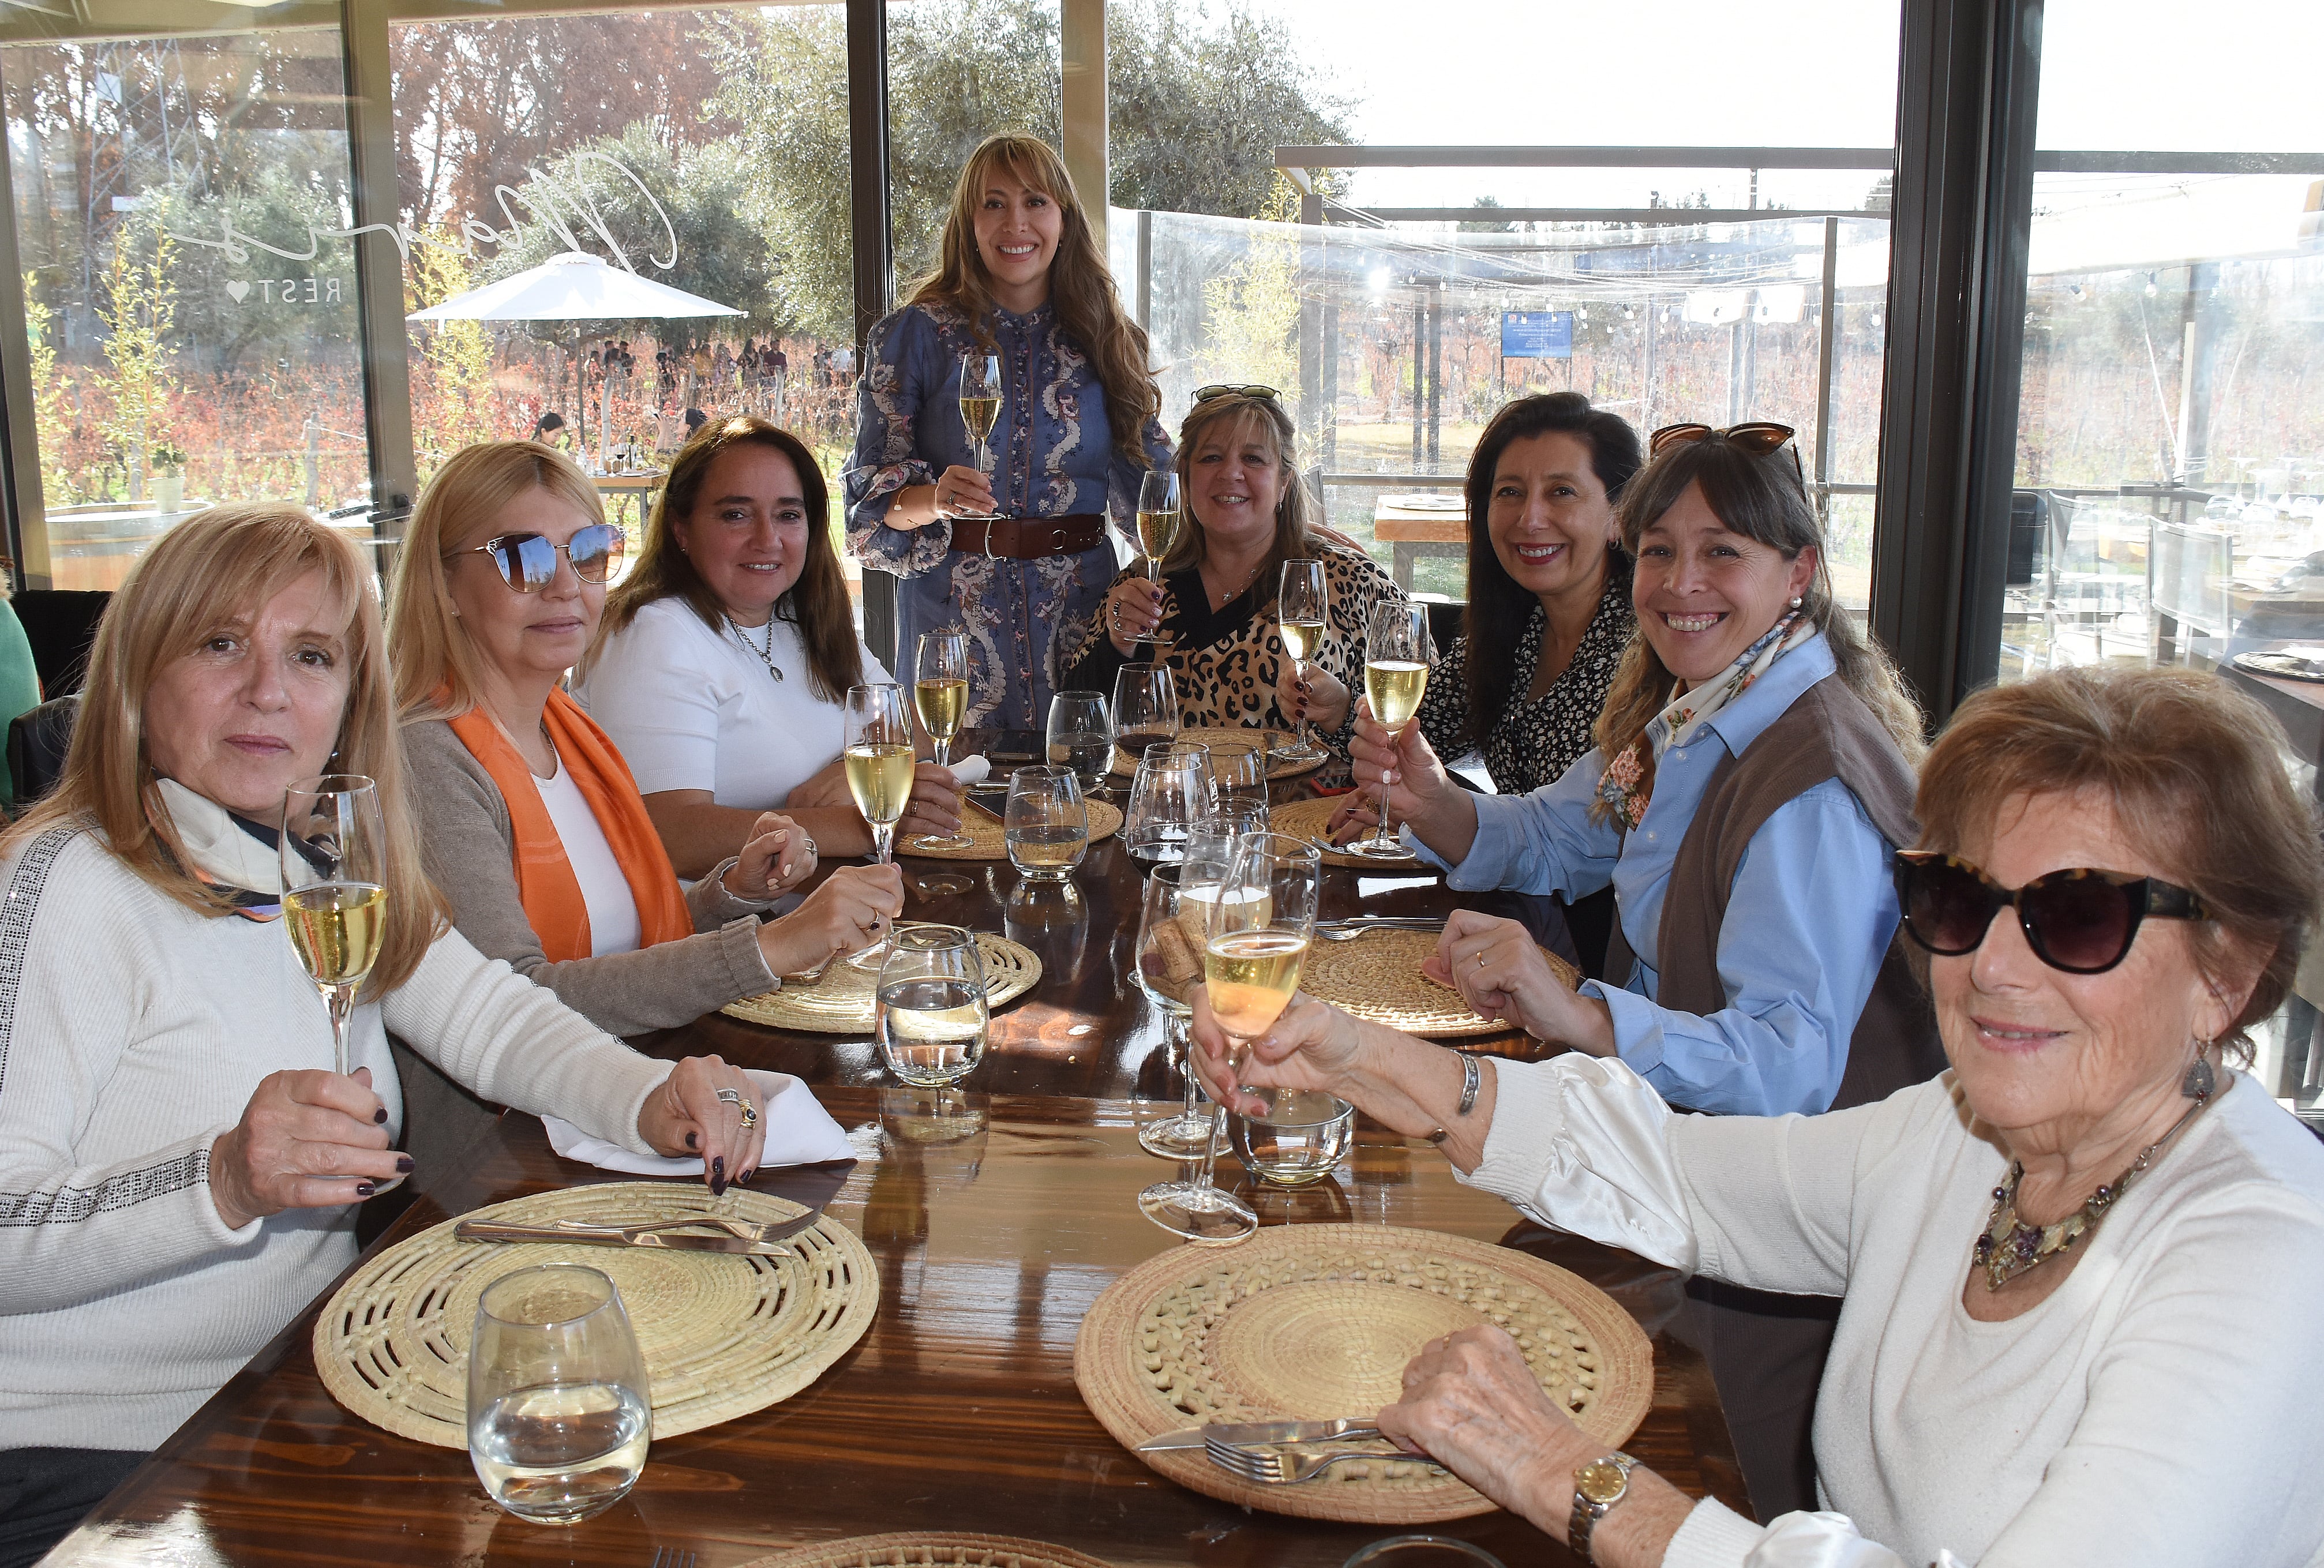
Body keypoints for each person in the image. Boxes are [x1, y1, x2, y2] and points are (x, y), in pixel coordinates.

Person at [1194, 663, 2324, 1567]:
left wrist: (1566, 1475)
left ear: (2228, 972)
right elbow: (1685, 1179)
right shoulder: (1961, 1134)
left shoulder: (2265, 1265)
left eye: (2076, 918)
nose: (1990, 968)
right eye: (1958, 899)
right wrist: (1359, 1059)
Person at [0, 505, 771, 1566]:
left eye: (310, 655)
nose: (269, 688)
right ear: (139, 676)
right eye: (221, 642)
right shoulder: (71, 883)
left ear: (347, 699)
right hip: (92, 1463)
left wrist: (648, 1094)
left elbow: (493, 1018)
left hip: (281, 1404)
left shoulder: (310, 874)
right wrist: (221, 1178)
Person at [1344, 420, 1944, 1514]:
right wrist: (1427, 797)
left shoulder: (1806, 778)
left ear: (1796, 572)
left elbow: (1786, 1071)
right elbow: (1553, 833)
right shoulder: (1696, 710)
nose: (1679, 582)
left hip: (1761, 1269)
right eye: (1659, 550)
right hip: (1664, 1170)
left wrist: (1577, 1007)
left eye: (1722, 552)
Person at [386, 440, 904, 1102]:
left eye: (588, 552)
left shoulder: (566, 729)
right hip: (524, 1138)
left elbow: (622, 934)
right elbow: (513, 1008)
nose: (566, 586)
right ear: (444, 584)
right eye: (524, 558)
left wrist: (734, 894)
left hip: (646, 1081)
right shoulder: (430, 757)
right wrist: (771, 946)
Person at [843, 133, 1172, 730]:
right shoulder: (911, 337)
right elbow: (866, 512)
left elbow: (1158, 499)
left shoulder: (1106, 338)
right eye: (993, 204)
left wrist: (1274, 526)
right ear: (969, 223)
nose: (1014, 222)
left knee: (1086, 801)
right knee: (957, 809)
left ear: (1064, 219)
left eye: (1035, 202)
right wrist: (933, 499)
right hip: (950, 628)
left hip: (1082, 620)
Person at [573, 416, 962, 878]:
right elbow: (670, 834)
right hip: (716, 931)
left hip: (820, 900)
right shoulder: (652, 632)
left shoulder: (799, 619)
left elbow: (913, 728)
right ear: (682, 529)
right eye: (735, 514)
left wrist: (846, 771)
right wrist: (871, 823)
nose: (767, 539)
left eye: (788, 515)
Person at [1060, 385, 1404, 753]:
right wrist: (1117, 644)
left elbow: (1423, 730)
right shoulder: (1142, 581)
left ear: (1284, 482)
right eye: (1211, 458)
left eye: (1254, 459)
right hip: (1167, 806)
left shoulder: (1350, 580)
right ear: (1186, 480)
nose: (1231, 473)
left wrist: (1345, 714)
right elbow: (1074, 723)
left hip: (1310, 808)